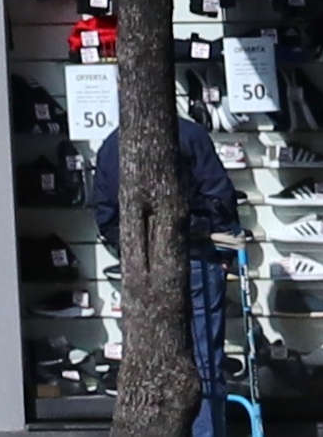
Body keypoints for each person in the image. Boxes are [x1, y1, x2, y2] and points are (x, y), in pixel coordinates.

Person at [82, 106, 238, 437]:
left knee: (148, 360)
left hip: (145, 262)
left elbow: (105, 213)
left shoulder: (113, 145)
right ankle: (205, 432)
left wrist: (130, 253)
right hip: (196, 251)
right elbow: (219, 194)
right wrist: (224, 249)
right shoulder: (191, 134)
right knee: (205, 360)